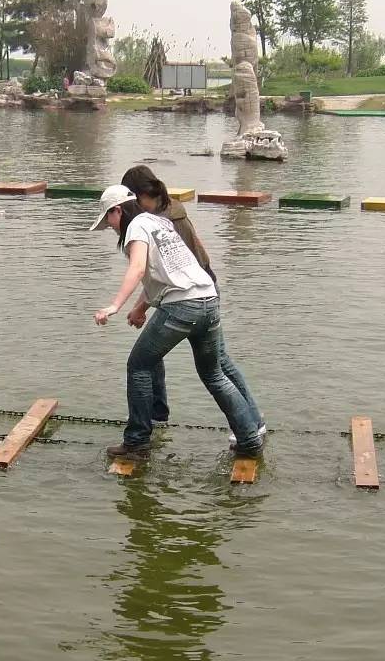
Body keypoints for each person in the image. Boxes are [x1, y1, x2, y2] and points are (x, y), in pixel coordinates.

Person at [89, 184, 264, 461]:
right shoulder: (160, 222)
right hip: (208, 299)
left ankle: (136, 442)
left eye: (108, 220)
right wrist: (138, 309)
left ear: (118, 210)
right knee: (214, 374)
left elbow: (137, 268)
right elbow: (164, 273)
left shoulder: (135, 226)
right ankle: (250, 439)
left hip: (182, 306)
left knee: (139, 365)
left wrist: (114, 306)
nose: (110, 227)